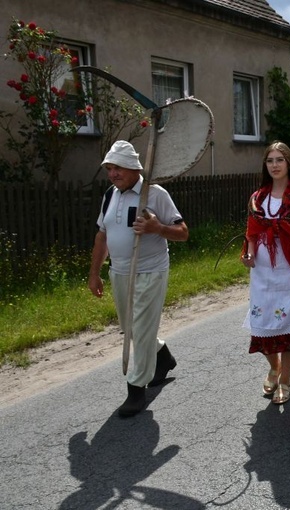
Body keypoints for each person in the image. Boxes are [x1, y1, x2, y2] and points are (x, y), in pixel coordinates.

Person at [88, 140, 189, 417]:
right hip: (119, 272)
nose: (113, 174)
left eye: (118, 168)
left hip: (151, 270)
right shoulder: (110, 195)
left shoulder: (154, 194)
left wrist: (158, 227)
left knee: (142, 328)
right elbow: (102, 235)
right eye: (109, 168)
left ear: (133, 168)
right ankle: (163, 356)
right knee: (130, 328)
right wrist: (94, 273)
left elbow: (183, 232)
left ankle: (136, 388)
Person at [241, 141, 290, 405]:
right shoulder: (258, 197)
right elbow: (252, 232)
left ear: (289, 163)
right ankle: (274, 367)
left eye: (279, 160)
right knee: (263, 326)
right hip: (264, 272)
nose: (274, 165)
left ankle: (285, 379)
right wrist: (250, 253)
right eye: (270, 161)